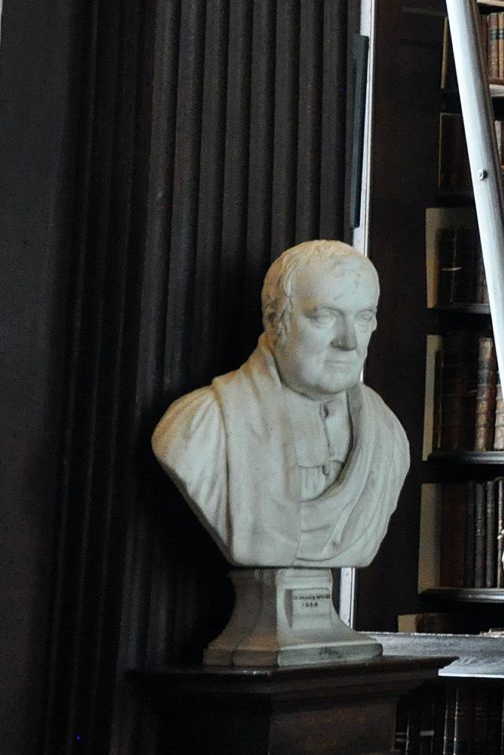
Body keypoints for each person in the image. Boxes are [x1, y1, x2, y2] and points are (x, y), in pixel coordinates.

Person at [152, 240, 409, 571]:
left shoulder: (387, 435)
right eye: (325, 317)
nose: (348, 341)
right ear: (275, 322)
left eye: (363, 317)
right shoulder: (199, 428)